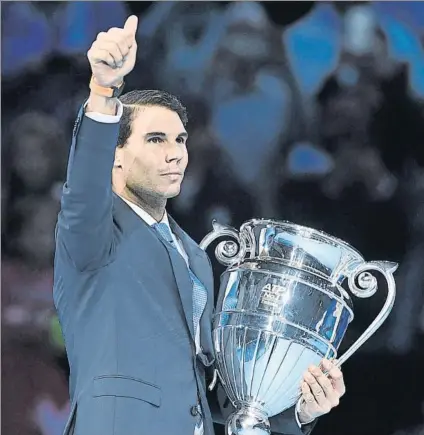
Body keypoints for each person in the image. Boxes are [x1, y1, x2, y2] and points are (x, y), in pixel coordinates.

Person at [53, 16, 346, 435]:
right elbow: (82, 186)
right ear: (113, 156)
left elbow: (209, 393)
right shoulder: (93, 233)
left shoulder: (193, 254)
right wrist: (103, 90)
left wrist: (299, 409)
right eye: (156, 140)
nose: (176, 154)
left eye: (180, 139)